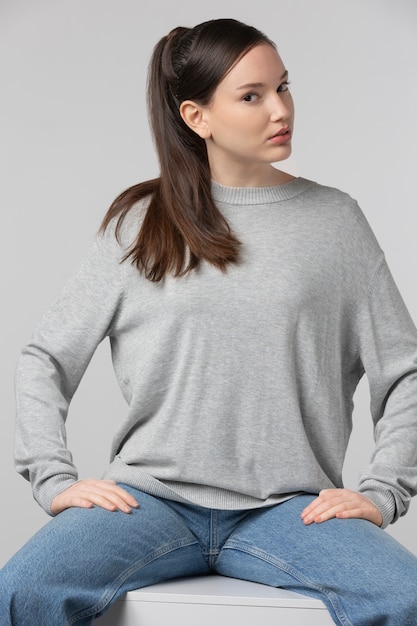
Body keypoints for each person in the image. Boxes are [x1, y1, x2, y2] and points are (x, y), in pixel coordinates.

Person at [1, 17, 417, 625]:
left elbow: (404, 372)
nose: (280, 109)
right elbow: (45, 358)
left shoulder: (335, 222)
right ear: (198, 117)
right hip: (149, 501)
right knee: (22, 591)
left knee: (406, 598)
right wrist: (52, 478)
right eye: (251, 96)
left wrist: (385, 491)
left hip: (290, 510)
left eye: (283, 86)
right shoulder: (140, 222)